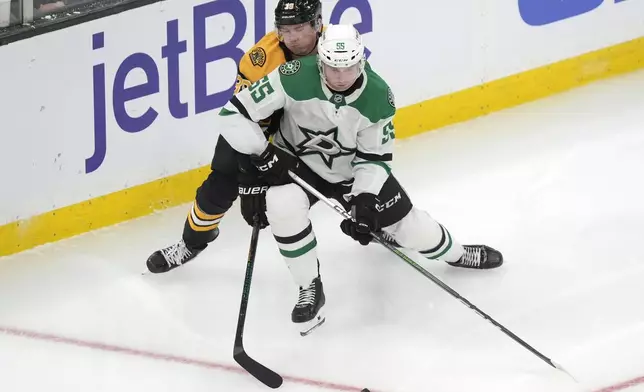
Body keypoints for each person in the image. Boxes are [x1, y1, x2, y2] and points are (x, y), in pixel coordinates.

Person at [216, 24, 504, 336]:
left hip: (350, 172)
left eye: (349, 67)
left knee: (411, 228)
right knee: (281, 203)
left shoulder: (378, 97)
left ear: (361, 62)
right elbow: (232, 115)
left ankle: (458, 253)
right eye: (332, 68)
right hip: (295, 165)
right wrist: (262, 154)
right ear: (320, 61)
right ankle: (309, 286)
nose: (340, 77)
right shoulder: (291, 75)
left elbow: (374, 159)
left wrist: (365, 201)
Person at [146, 0, 324, 273]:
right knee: (220, 183)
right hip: (265, 127)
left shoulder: (339, 49)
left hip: (319, 128)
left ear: (317, 23)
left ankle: (385, 219)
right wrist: (250, 173)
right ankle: (192, 242)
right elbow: (241, 119)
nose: (292, 37)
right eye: (285, 30)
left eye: (299, 28)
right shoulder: (260, 60)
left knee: (352, 166)